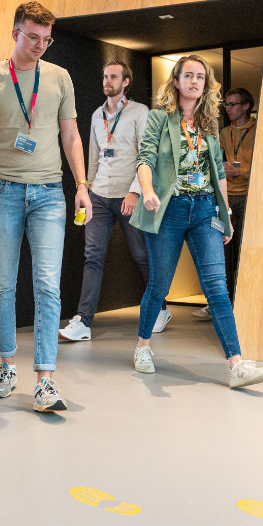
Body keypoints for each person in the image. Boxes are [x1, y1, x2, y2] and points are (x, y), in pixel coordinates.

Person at [0, 1, 93, 413]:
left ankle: (45, 380)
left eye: (46, 39)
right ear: (15, 33)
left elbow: (71, 136)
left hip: (49, 193)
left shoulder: (59, 77)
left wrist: (82, 185)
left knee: (48, 285)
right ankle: (5, 366)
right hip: (2, 191)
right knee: (3, 285)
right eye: (32, 37)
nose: (39, 45)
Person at [129, 54, 263, 389]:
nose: (194, 81)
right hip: (169, 209)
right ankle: (143, 346)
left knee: (217, 287)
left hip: (205, 209)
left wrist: (226, 213)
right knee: (159, 284)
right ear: (176, 81)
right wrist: (147, 191)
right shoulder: (159, 118)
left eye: (200, 77)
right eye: (188, 75)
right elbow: (145, 158)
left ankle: (236, 364)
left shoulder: (209, 122)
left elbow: (218, 170)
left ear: (206, 84)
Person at [59, 61, 170, 342]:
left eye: (113, 77)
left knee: (141, 254)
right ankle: (83, 321)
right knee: (92, 256)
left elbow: (147, 154)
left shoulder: (139, 112)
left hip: (128, 194)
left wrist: (135, 191)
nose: (107, 81)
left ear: (126, 82)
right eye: (105, 76)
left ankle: (161, 307)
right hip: (99, 195)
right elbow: (94, 157)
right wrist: (85, 190)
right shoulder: (97, 115)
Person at [210, 86, 257, 315]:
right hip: (226, 196)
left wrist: (232, 169)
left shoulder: (257, 130)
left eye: (232, 104)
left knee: (245, 250)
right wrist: (234, 169)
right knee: (220, 246)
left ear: (246, 106)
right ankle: (221, 301)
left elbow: (255, 166)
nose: (228, 109)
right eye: (226, 105)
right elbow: (216, 165)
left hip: (250, 195)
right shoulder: (224, 132)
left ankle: (246, 303)